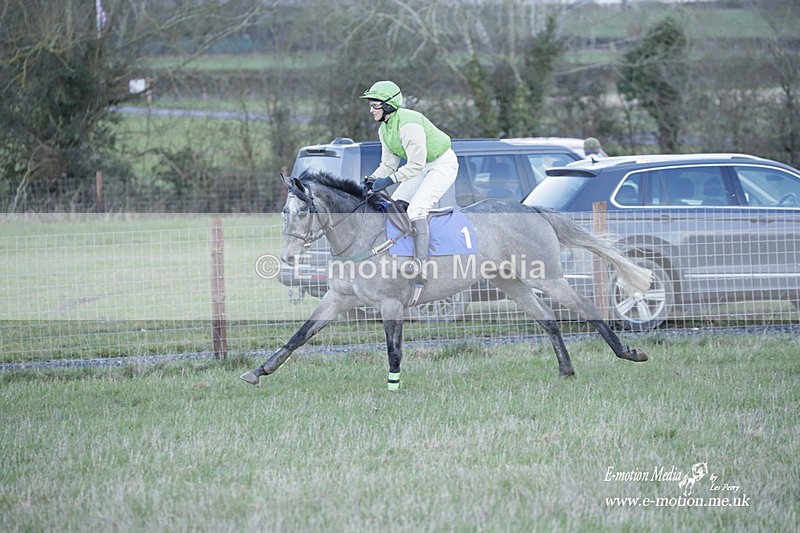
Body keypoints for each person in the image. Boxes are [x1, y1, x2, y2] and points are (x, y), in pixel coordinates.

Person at [360, 80, 459, 282]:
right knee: (394, 207)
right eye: (371, 105)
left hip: (442, 164)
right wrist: (373, 178)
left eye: (375, 105)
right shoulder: (384, 129)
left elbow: (416, 163)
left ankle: (421, 265)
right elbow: (388, 164)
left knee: (416, 210)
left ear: (388, 105)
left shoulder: (408, 125)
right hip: (421, 167)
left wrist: (389, 181)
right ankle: (401, 255)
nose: (371, 110)